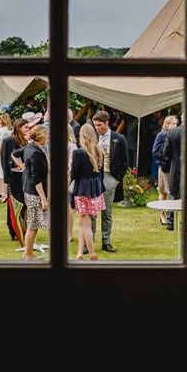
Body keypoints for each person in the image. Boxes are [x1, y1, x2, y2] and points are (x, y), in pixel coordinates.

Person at [90, 110, 129, 253]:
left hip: (110, 177)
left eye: (99, 125)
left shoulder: (119, 138)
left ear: (107, 123)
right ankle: (90, 241)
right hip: (94, 178)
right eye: (95, 125)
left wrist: (116, 180)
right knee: (92, 212)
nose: (97, 128)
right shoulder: (93, 137)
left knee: (107, 212)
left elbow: (125, 162)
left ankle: (106, 242)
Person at [70, 123, 105, 260]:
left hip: (82, 188)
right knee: (83, 222)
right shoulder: (99, 150)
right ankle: (79, 253)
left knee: (86, 224)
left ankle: (91, 253)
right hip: (95, 188)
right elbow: (101, 174)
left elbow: (74, 173)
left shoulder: (78, 152)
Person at [16, 125, 49, 261]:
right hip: (34, 192)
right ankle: (28, 255)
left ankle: (28, 253)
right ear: (41, 136)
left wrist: (23, 167)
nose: (48, 137)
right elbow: (37, 178)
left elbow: (16, 154)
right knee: (33, 225)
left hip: (28, 190)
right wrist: (43, 199)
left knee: (33, 225)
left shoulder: (30, 147)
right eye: (46, 134)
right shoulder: (35, 152)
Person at [1, 118, 30, 241]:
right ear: (19, 128)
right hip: (14, 178)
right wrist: (7, 178)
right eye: (26, 128)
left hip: (25, 177)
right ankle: (14, 229)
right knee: (15, 204)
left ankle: (25, 228)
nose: (28, 130)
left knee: (25, 203)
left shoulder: (27, 141)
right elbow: (4, 160)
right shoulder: (9, 141)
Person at [152, 114, 179, 227]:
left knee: (170, 192)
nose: (175, 126)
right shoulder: (161, 135)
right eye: (173, 124)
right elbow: (155, 151)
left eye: (176, 124)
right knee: (163, 192)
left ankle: (169, 216)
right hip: (165, 168)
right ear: (167, 124)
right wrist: (164, 162)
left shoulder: (174, 135)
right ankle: (163, 216)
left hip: (172, 167)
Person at [66, 124, 78, 243]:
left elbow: (71, 166)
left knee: (67, 206)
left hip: (66, 180)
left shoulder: (72, 146)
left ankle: (69, 234)